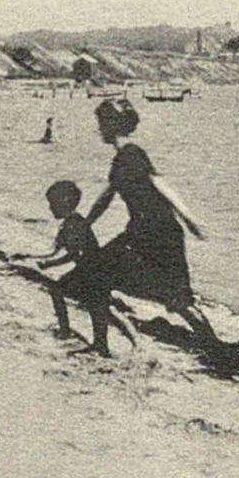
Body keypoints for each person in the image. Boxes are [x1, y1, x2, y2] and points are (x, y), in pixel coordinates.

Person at [84, 98, 216, 341]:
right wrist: (86, 222)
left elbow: (159, 183)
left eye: (102, 123)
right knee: (176, 297)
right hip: (150, 230)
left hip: (153, 232)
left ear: (114, 124)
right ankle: (212, 344)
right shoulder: (123, 158)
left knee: (99, 275)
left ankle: (211, 344)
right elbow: (106, 196)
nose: (99, 129)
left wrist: (190, 218)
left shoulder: (131, 154)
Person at [14, 180, 137, 357]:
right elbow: (54, 251)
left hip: (94, 270)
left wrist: (49, 264)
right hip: (88, 269)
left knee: (93, 305)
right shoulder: (69, 224)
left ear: (64, 203)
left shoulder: (75, 225)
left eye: (52, 204)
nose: (50, 209)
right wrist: (29, 256)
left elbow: (70, 254)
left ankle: (87, 340)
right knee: (94, 306)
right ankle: (91, 341)